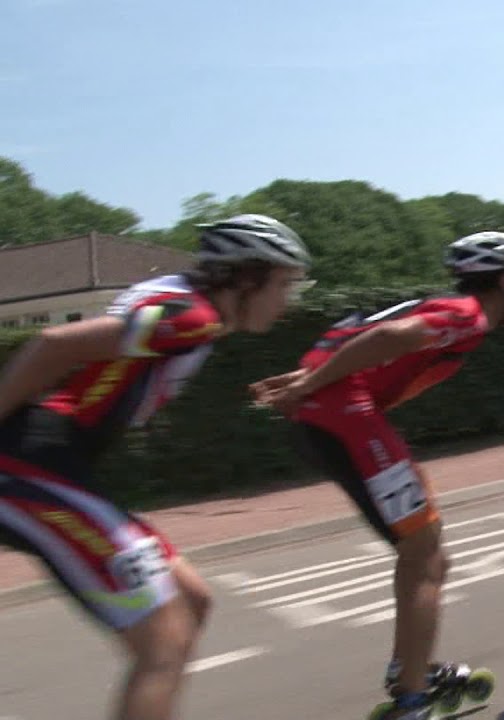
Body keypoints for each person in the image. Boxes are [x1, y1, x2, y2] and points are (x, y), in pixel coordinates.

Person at [0, 214, 312, 720]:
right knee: (163, 640)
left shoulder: (179, 298)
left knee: (191, 602)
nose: (287, 300)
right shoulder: (194, 316)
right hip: (31, 464)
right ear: (248, 277)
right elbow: (56, 344)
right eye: (283, 284)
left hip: (55, 461)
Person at [250, 232, 504, 720]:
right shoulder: (467, 313)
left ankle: (413, 671)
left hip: (330, 418)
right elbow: (383, 338)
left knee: (425, 555)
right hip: (348, 420)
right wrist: (312, 384)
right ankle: (411, 696)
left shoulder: (440, 303)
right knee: (426, 555)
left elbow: (355, 337)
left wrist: (304, 380)